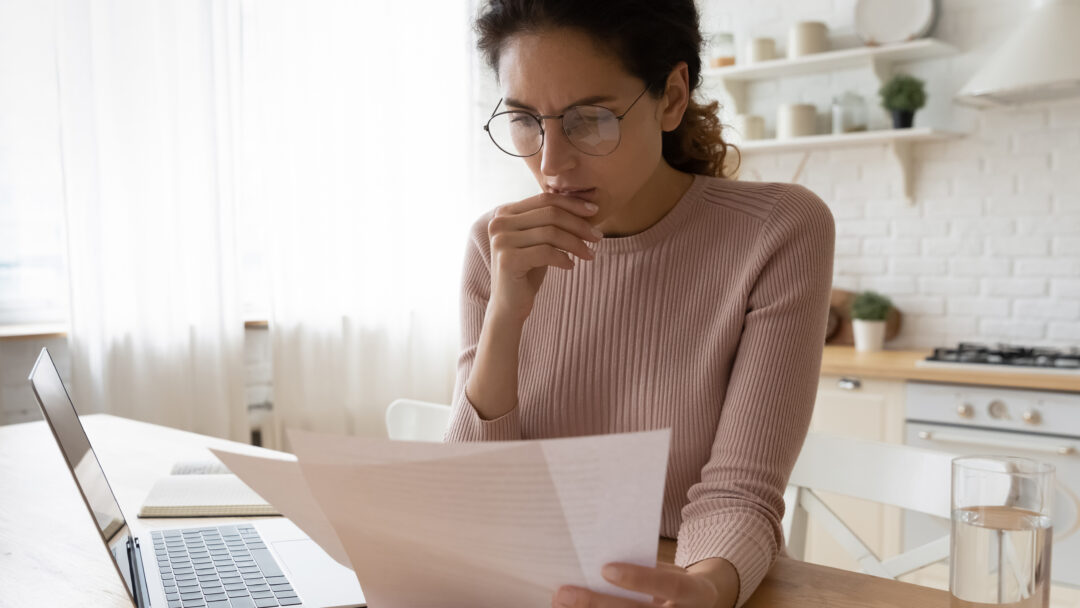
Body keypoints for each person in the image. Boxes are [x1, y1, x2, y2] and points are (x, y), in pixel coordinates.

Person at [443, 1, 836, 606]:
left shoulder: (776, 232)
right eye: (525, 120)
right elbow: (475, 500)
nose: (549, 163)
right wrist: (506, 317)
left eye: (590, 119)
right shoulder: (494, 245)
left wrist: (702, 590)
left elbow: (739, 493)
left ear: (673, 96)